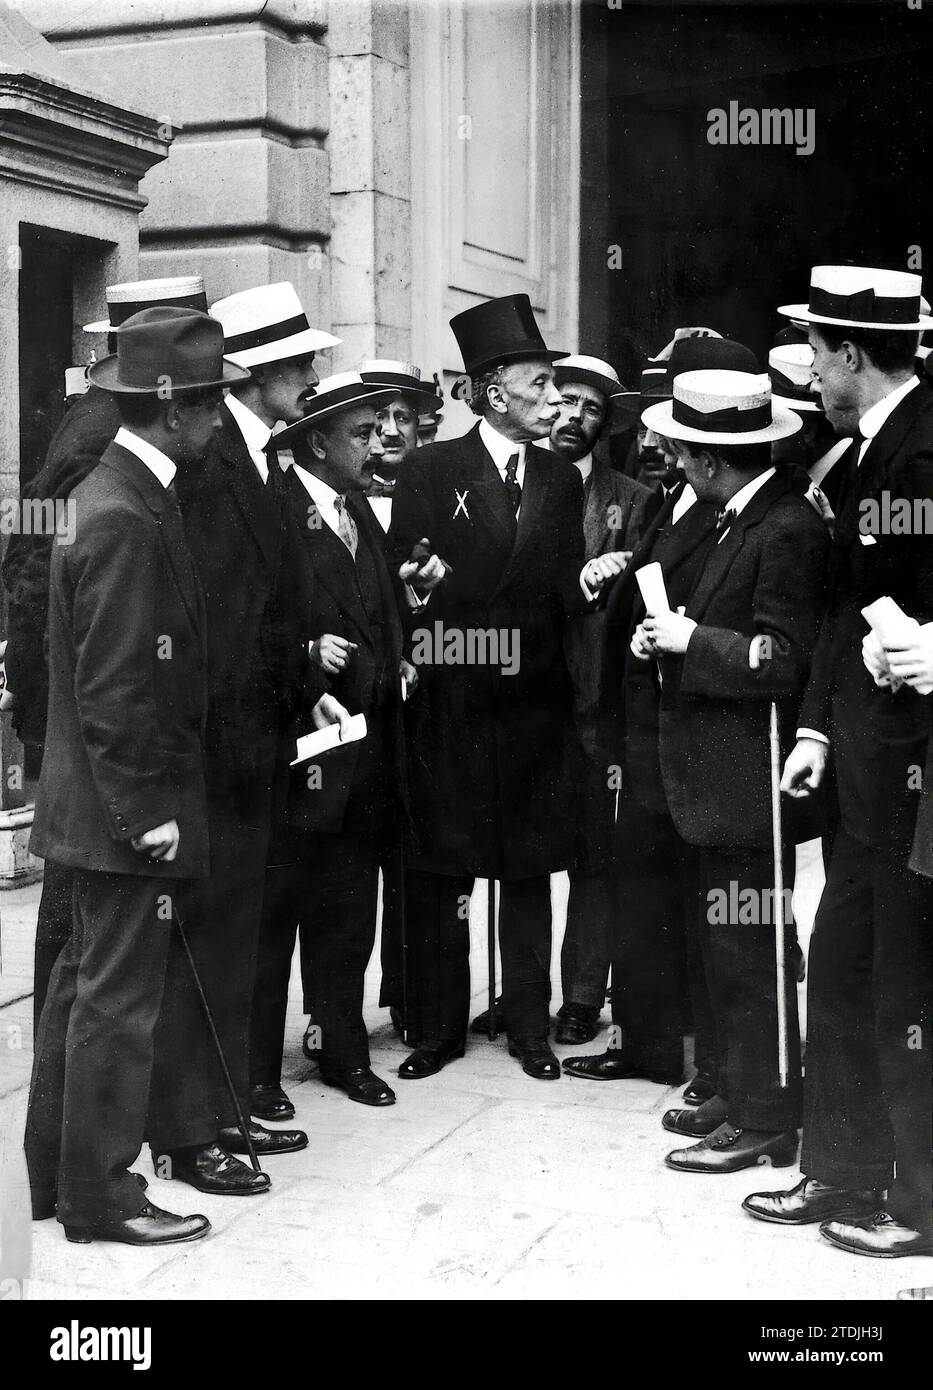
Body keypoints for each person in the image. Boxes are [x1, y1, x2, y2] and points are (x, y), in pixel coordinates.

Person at [24, 307, 243, 1245]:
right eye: (211, 404)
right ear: (175, 410)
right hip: (121, 812)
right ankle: (102, 1198)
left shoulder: (115, 495)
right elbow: (113, 689)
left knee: (81, 990)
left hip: (88, 808)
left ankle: (55, 1181)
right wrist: (147, 810)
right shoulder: (123, 513)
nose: (219, 422)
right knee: (115, 1002)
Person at [746, 265, 933, 1256]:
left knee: (907, 993)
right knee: (846, 970)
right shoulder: (867, 453)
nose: (812, 374)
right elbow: (841, 610)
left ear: (852, 354)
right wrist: (817, 730)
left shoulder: (923, 450)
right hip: (867, 772)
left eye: (818, 355)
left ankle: (919, 1206)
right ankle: (845, 1169)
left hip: (915, 781)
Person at [387, 293, 611, 1081]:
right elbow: (409, 580)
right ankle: (438, 1031)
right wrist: (437, 602)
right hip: (452, 705)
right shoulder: (428, 469)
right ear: (491, 392)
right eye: (539, 384)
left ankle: (528, 1028)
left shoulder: (558, 478)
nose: (555, 400)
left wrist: (587, 586)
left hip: (532, 710)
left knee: (527, 874)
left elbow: (556, 588)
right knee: (444, 872)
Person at [154, 282, 341, 1193]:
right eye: (300, 363)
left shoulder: (261, 454)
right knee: (206, 939)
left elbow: (266, 615)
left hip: (256, 744)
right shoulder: (209, 457)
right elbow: (211, 623)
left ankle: (223, 1106)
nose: (311, 378)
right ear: (258, 372)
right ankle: (190, 1132)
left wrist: (304, 693)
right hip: (217, 751)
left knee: (236, 935)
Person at [634, 366, 829, 1173]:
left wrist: (692, 642)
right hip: (722, 785)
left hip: (753, 787)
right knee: (729, 947)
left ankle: (767, 1116)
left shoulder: (784, 528)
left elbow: (784, 656)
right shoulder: (743, 516)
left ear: (709, 460)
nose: (676, 465)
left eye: (682, 454)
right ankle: (742, 1092)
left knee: (753, 952)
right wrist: (673, 638)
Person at [1, 276, 208, 1029]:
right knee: (94, 968)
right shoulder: (100, 449)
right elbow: (32, 559)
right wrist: (39, 684)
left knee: (85, 963)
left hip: (92, 731)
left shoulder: (104, 431)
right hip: (98, 745)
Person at [565, 338, 757, 1097]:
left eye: (663, 421)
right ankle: (645, 1043)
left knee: (701, 906)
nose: (650, 436)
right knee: (641, 892)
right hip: (645, 733)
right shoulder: (667, 499)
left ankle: (712, 1062)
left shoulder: (734, 509)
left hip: (697, 738)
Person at [249, 372, 408, 1114]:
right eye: (362, 433)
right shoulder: (275, 510)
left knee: (348, 912)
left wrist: (399, 651)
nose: (379, 444)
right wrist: (306, 654)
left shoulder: (357, 510)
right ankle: (256, 1072)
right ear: (317, 442)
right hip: (299, 752)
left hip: (362, 752)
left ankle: (343, 1049)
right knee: (275, 916)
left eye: (379, 430)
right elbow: (249, 622)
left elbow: (378, 608)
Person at [358, 360, 443, 533]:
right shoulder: (342, 497)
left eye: (403, 418)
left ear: (417, 425)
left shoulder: (439, 493)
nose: (392, 431)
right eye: (380, 417)